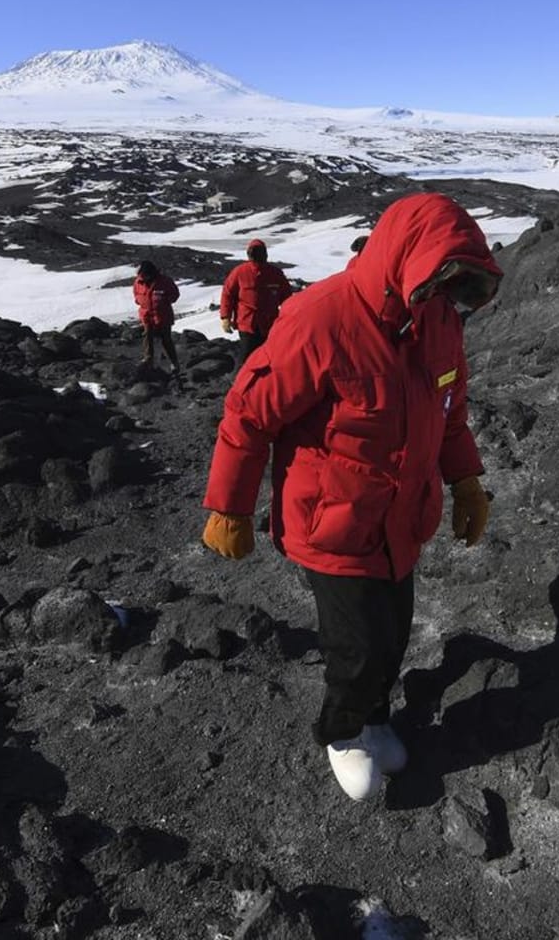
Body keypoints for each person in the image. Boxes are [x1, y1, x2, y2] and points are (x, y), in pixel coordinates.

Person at [200, 193, 502, 801]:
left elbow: (449, 412)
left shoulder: (439, 320)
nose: (450, 298)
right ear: (407, 260)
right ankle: (341, 733)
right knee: (356, 644)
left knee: (392, 633)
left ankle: (375, 716)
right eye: (443, 282)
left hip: (400, 522)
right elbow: (248, 414)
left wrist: (465, 481)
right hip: (331, 524)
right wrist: (228, 506)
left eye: (460, 287)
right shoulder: (321, 318)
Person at [219, 239, 292, 365]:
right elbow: (227, 294)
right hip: (247, 323)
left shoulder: (275, 273)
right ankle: (239, 383)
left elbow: (287, 298)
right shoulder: (239, 272)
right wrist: (225, 317)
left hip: (269, 323)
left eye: (259, 252)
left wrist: (290, 318)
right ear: (249, 254)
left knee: (269, 356)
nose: (256, 254)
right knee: (246, 357)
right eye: (253, 252)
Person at [132, 260, 181, 373]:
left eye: (145, 275)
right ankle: (148, 360)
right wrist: (139, 300)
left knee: (166, 339)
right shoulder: (138, 282)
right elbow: (136, 293)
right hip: (146, 315)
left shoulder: (164, 281)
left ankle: (174, 363)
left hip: (163, 315)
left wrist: (164, 300)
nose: (143, 277)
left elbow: (174, 294)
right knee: (147, 337)